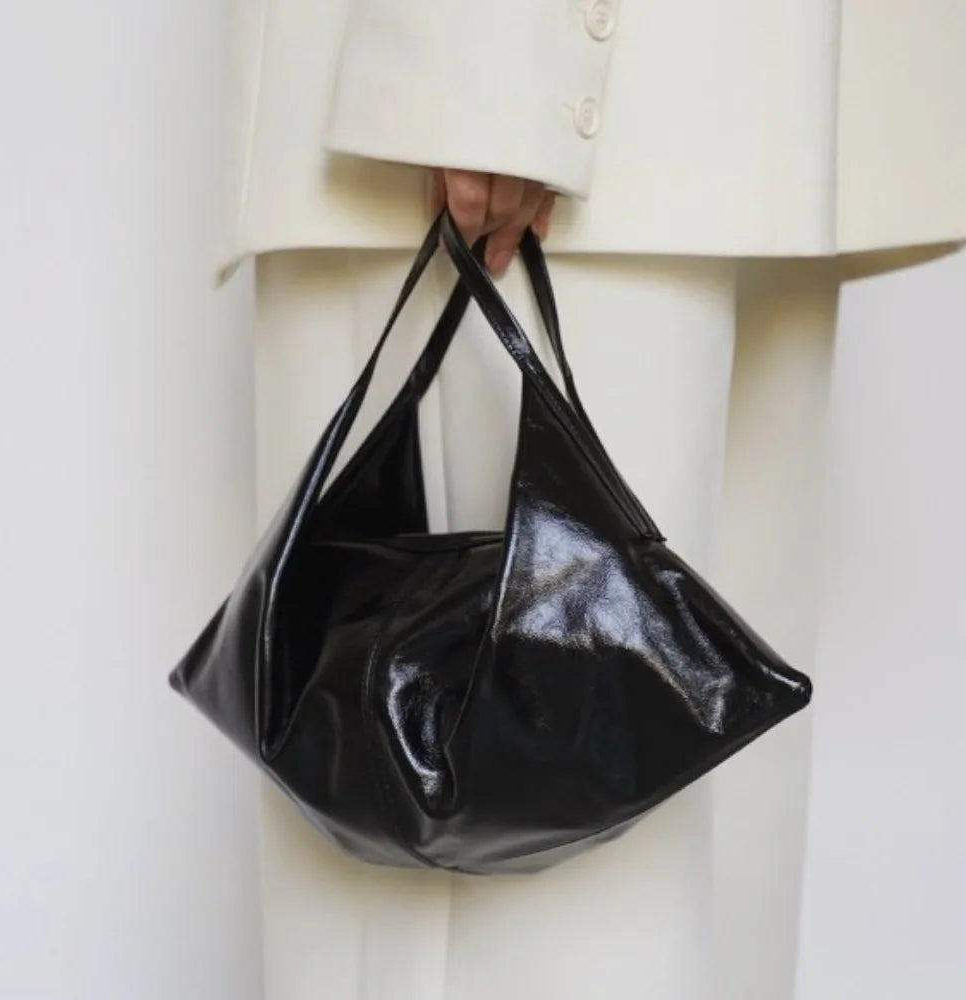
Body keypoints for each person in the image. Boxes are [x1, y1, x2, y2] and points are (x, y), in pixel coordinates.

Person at [216, 2, 966, 999]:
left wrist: (495, 77)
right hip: (651, 113)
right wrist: (494, 72)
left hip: (631, 115)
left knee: (639, 904)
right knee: (571, 899)